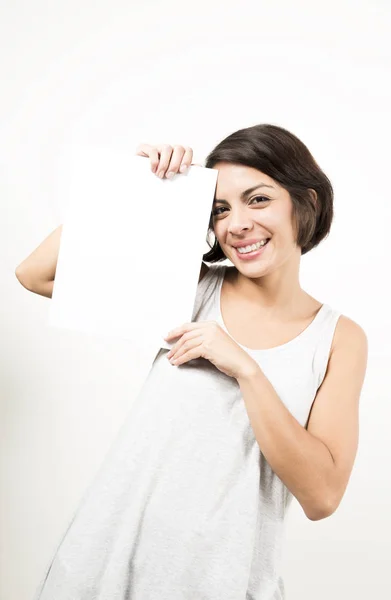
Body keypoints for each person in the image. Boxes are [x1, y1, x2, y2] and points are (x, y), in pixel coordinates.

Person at [15, 124, 368, 599]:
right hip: (105, 565)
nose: (236, 224)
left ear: (307, 202)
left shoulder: (339, 338)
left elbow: (322, 496)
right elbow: (34, 274)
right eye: (220, 209)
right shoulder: (186, 287)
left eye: (258, 199)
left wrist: (247, 370)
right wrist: (136, 186)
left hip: (224, 581)